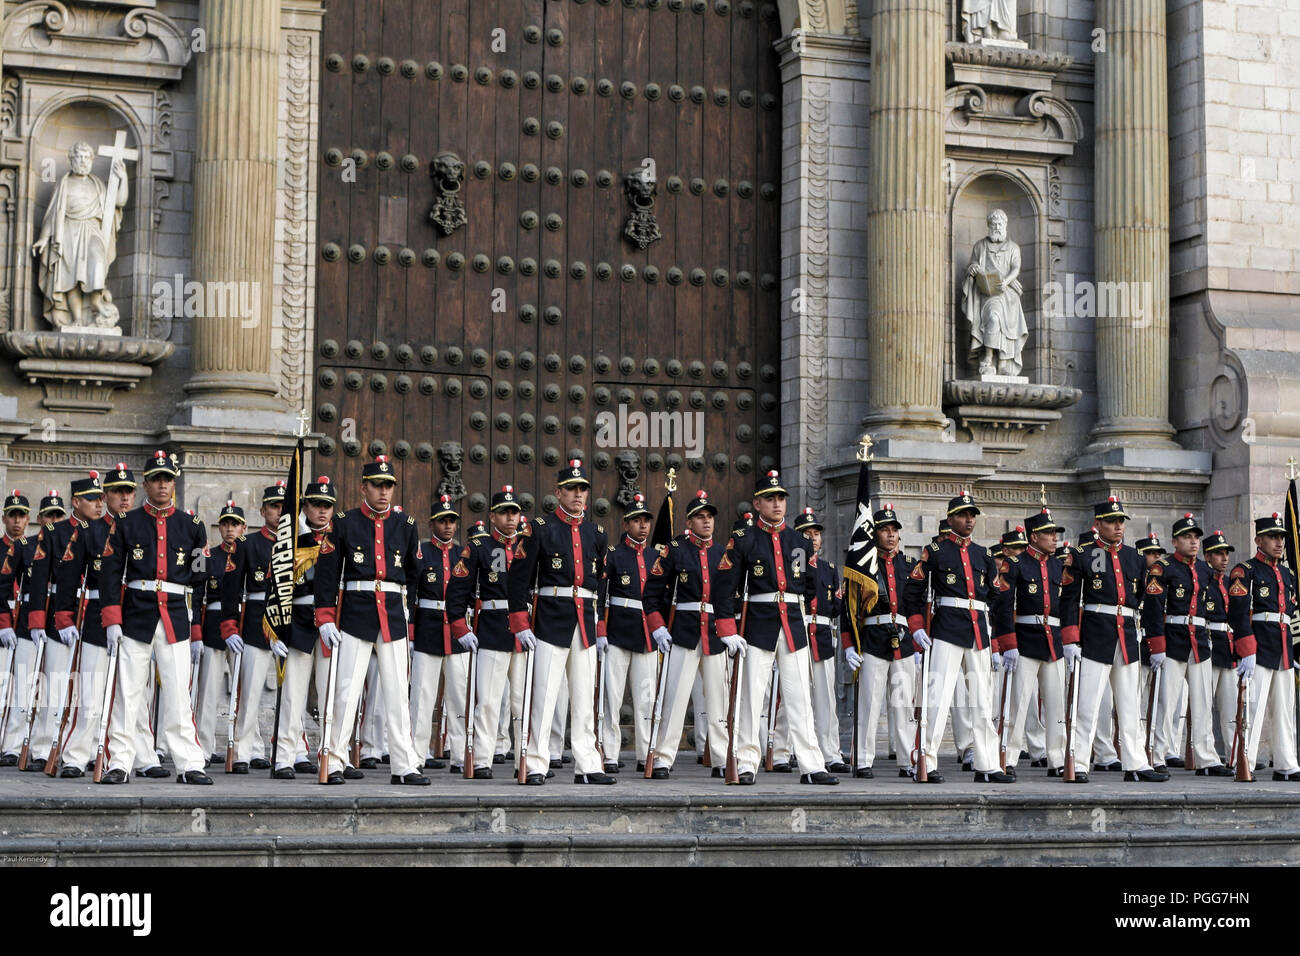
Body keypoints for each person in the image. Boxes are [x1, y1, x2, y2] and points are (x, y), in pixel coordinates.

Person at [713, 471, 835, 785]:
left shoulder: (799, 540)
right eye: (770, 498)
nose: (777, 503)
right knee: (752, 696)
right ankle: (747, 762)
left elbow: (809, 587)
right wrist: (727, 628)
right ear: (757, 503)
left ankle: (811, 764)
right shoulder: (744, 538)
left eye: (781, 498)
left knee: (799, 697)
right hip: (758, 623)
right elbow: (724, 585)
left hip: (792, 623)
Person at [313, 455, 429, 786]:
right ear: (364, 486)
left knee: (397, 693)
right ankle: (334, 760)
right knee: (346, 691)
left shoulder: (405, 525)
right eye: (377, 485)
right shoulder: (344, 522)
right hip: (355, 612)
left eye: (388, 485)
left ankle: (404, 765)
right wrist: (324, 616)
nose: (383, 491)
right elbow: (327, 573)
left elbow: (413, 575)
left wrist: (411, 620)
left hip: (392, 611)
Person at [97, 451, 211, 784]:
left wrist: (198, 624)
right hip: (136, 613)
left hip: (175, 614)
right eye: (156, 479)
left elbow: (200, 577)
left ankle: (189, 763)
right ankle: (120, 761)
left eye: (167, 479)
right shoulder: (125, 523)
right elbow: (110, 574)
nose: (162, 485)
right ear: (145, 483)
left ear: (174, 483)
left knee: (178, 692)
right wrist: (112, 618)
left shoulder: (191, 526)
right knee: (129, 691)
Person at [507, 459, 613, 785]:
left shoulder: (595, 532)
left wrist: (601, 627)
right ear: (558, 493)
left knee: (584, 699)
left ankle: (587, 764)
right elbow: (518, 579)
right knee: (544, 697)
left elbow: (602, 583)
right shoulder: (539, 528)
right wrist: (521, 623)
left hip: (584, 620)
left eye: (582, 489)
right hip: (550, 620)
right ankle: (536, 762)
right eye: (572, 489)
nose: (578, 495)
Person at [903, 490, 1010, 784]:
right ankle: (924, 761)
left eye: (972, 515)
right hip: (947, 627)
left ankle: (988, 765)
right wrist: (917, 627)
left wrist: (997, 641)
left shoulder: (984, 555)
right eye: (963, 515)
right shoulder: (935, 551)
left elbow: (995, 596)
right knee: (937, 699)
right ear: (950, 518)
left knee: (982, 701)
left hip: (978, 629)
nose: (969, 520)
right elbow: (913, 591)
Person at [1059, 497, 1167, 783]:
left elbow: (1143, 598)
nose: (1118, 526)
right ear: (1098, 524)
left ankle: (1135, 762)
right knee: (1088, 704)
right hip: (1096, 633)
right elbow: (1069, 600)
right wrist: (1070, 638)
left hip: (1127, 633)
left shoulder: (1134, 557)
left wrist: (1152, 640)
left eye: (1121, 521)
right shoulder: (1081, 554)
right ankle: (1079, 761)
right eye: (1111, 521)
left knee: (1130, 703)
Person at [641, 490, 732, 778]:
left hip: (715, 633)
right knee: (675, 698)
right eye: (700, 517)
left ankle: (720, 759)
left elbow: (730, 597)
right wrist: (657, 628)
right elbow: (651, 594)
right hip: (683, 631)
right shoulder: (674, 551)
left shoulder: (722, 554)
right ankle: (664, 758)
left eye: (710, 517)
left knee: (720, 700)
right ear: (689, 521)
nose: (707, 522)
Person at [1143, 513, 1230, 776]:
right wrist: (1156, 646)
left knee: (1203, 702)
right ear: (1175, 541)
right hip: (1173, 639)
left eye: (1195, 538)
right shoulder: (1163, 568)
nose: (1193, 542)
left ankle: (1206, 758)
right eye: (1187, 537)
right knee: (1167, 702)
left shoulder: (1205, 570)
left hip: (1199, 640)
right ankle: (1157, 755)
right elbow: (1153, 608)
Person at [446, 486, 523, 779]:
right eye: (504, 512)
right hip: (492, 628)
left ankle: (526, 761)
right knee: (489, 701)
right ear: (492, 516)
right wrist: (459, 626)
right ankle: (481, 759)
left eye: (514, 512)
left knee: (523, 702)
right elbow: (458, 590)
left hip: (525, 631)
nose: (510, 518)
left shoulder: (528, 546)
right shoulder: (479, 547)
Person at [993, 509, 1071, 777]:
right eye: (1049, 533)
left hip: (1054, 641)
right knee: (1018, 705)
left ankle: (1056, 758)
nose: (1054, 538)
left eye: (1055, 533)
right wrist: (1008, 643)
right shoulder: (1014, 564)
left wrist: (1070, 640)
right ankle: (1010, 757)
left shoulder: (1058, 565)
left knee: (1056, 705)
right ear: (1034, 536)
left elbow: (1066, 606)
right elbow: (1003, 606)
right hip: (1025, 639)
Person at [270, 476, 339, 779]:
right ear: (305, 507)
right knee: (293, 695)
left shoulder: (340, 540)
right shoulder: (290, 542)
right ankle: (285, 756)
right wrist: (274, 630)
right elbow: (277, 588)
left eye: (327, 505)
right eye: (316, 505)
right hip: (298, 621)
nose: (322, 511)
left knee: (331, 696)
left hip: (332, 624)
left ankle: (332, 757)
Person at [220, 482, 289, 772]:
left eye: (283, 506)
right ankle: (244, 750)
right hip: (255, 622)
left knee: (291, 694)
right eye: (273, 506)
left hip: (288, 622)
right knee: (249, 692)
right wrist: (229, 627)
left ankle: (292, 750)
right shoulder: (247, 544)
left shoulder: (299, 542)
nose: (278, 511)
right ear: (262, 511)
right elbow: (232, 589)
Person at [843, 504, 916, 778]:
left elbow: (916, 606)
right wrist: (850, 643)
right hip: (873, 639)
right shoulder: (863, 567)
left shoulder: (909, 565)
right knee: (870, 705)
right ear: (875, 534)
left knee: (903, 705)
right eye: (884, 530)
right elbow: (848, 609)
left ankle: (907, 760)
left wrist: (918, 643)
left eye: (894, 530)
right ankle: (863, 760)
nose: (890, 535)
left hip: (904, 642)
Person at [1228, 513, 1299, 782]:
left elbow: (1290, 613)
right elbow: (1237, 612)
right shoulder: (1245, 571)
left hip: (1282, 645)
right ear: (1259, 540)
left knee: (1284, 709)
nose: (1279, 542)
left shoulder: (1286, 573)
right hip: (1259, 645)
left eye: (1281, 537)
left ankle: (1286, 763)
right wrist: (1246, 649)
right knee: (1253, 709)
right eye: (1272, 537)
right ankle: (1244, 760)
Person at [0, 490, 68, 768]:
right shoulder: (24, 546)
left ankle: (42, 749)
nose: (52, 520)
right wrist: (6, 623)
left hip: (57, 622)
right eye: (48, 515)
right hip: (28, 621)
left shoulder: (69, 546)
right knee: (22, 687)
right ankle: (13, 746)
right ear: (38, 519)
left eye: (57, 515)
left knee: (53, 688)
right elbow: (4, 583)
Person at [597, 493, 658, 773]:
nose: (643, 526)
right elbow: (601, 594)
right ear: (626, 524)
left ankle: (646, 754)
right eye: (637, 520)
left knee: (647, 698)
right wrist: (600, 629)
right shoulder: (613, 555)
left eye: (646, 520)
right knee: (612, 698)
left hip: (646, 634)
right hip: (618, 632)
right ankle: (609, 752)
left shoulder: (656, 556)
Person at [409, 494, 468, 773]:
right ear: (432, 523)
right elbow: (411, 593)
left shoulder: (462, 555)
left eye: (452, 521)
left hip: (456, 632)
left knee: (459, 696)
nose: (448, 526)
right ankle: (416, 755)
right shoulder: (421, 552)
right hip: (428, 629)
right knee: (422, 697)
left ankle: (459, 755)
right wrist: (410, 632)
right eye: (442, 521)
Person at [795, 507, 848, 774]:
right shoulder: (795, 563)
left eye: (816, 533)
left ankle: (831, 751)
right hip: (798, 632)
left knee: (826, 697)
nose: (813, 538)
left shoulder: (829, 568)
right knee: (793, 695)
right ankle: (783, 750)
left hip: (824, 634)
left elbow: (836, 605)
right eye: (807, 533)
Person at [193, 501, 242, 767]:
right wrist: (196, 631)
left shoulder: (248, 553)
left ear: (243, 527)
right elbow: (196, 593)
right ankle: (203, 746)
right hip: (212, 623)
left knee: (244, 691)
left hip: (240, 624)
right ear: (219, 527)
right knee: (208, 691)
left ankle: (246, 746)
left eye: (235, 524)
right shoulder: (205, 555)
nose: (230, 528)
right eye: (225, 523)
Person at [1202, 531, 1239, 765]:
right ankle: (1207, 756)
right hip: (1209, 642)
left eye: (1226, 553)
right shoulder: (1202, 579)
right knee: (1205, 705)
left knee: (1231, 708)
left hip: (1229, 645)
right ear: (1207, 556)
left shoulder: (1229, 582)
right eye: (1218, 553)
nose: (1224, 558)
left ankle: (1235, 755)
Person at [0, 492, 30, 766]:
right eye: (13, 515)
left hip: (21, 623)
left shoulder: (33, 548)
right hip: (3, 622)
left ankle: (13, 744)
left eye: (22, 515)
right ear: (4, 518)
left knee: (19, 687)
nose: (17, 521)